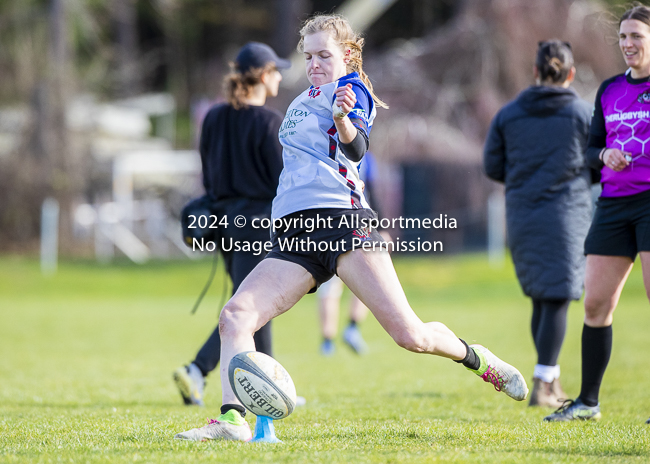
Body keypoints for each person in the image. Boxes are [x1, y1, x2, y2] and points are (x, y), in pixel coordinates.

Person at [174, 13, 528, 442]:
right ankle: (232, 421)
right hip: (293, 235)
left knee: (411, 335)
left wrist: (343, 119)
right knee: (235, 316)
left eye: (324, 54)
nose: (314, 64)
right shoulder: (299, 101)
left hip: (344, 225)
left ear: (347, 54)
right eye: (309, 56)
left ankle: (479, 359)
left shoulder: (351, 90)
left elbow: (356, 149)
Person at [544, 4, 650, 423]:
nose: (627, 44)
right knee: (595, 305)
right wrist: (605, 153)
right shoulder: (609, 90)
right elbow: (589, 152)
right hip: (613, 205)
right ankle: (588, 402)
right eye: (623, 37)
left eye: (636, 36)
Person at [173, 42, 289, 407]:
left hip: (222, 222)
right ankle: (197, 369)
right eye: (277, 70)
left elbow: (207, 174)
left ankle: (270, 381)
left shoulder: (213, 117)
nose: (281, 77)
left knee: (256, 301)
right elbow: (281, 182)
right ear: (264, 75)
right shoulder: (270, 122)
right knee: (249, 306)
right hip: (257, 225)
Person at [483, 40, 593, 408]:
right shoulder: (581, 113)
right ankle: (544, 384)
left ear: (535, 72)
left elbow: (492, 167)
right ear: (571, 73)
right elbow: (596, 161)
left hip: (522, 213)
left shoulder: (509, 113)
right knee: (558, 296)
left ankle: (550, 376)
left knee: (542, 298)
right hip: (566, 214)